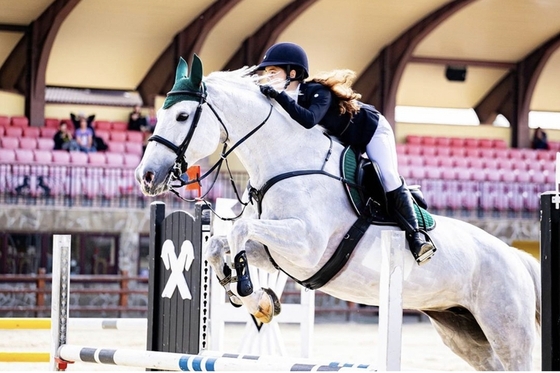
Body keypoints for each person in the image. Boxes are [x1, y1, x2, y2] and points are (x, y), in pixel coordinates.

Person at [257, 42, 435, 265]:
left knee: (387, 175)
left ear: (292, 73)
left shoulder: (316, 92)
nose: (268, 77)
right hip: (346, 141)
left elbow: (308, 120)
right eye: (266, 73)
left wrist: (277, 96)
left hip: (371, 129)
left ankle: (417, 236)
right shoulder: (283, 99)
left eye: (273, 72)